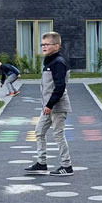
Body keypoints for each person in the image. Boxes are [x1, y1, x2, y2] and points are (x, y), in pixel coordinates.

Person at [25, 32, 73, 176]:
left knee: (58, 134)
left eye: (47, 44)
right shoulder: (49, 62)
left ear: (56, 46)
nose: (44, 47)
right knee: (39, 131)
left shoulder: (58, 62)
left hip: (56, 106)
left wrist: (50, 105)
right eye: (42, 44)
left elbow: (60, 86)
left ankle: (67, 165)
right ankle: (41, 163)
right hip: (48, 106)